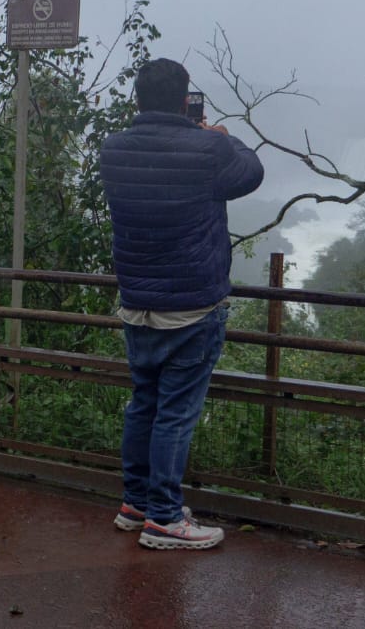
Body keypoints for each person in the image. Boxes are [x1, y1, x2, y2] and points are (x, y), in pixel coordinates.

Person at [99, 58, 264, 551]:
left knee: (143, 405)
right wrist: (223, 136)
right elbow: (251, 173)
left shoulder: (113, 148)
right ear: (184, 98)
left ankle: (136, 504)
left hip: (137, 303)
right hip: (192, 308)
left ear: (137, 98)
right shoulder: (209, 149)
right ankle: (165, 519)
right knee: (174, 413)